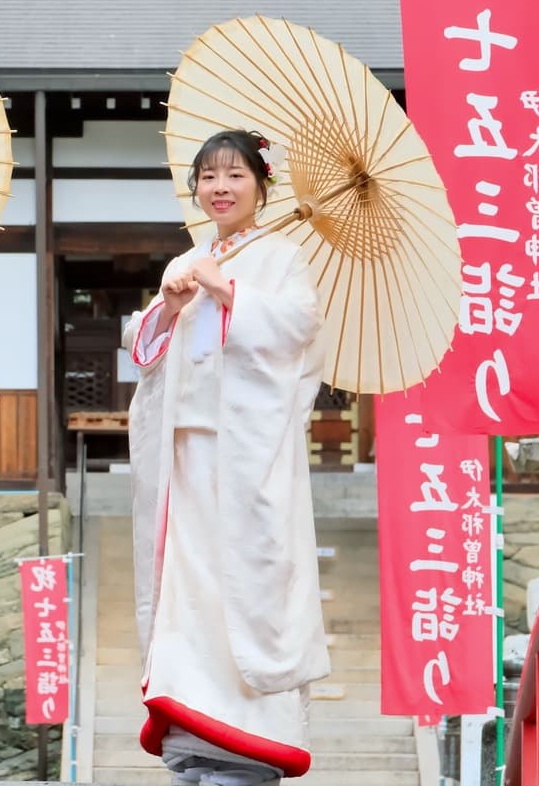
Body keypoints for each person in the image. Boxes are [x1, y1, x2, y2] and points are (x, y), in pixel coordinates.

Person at [121, 129, 331, 786]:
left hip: (245, 458)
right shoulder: (188, 257)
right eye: (209, 176)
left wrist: (231, 292)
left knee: (247, 584)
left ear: (260, 188)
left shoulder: (283, 257)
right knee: (188, 590)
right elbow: (143, 348)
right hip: (184, 457)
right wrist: (171, 304)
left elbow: (298, 330)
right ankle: (191, 725)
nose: (220, 187)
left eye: (235, 175)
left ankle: (251, 737)